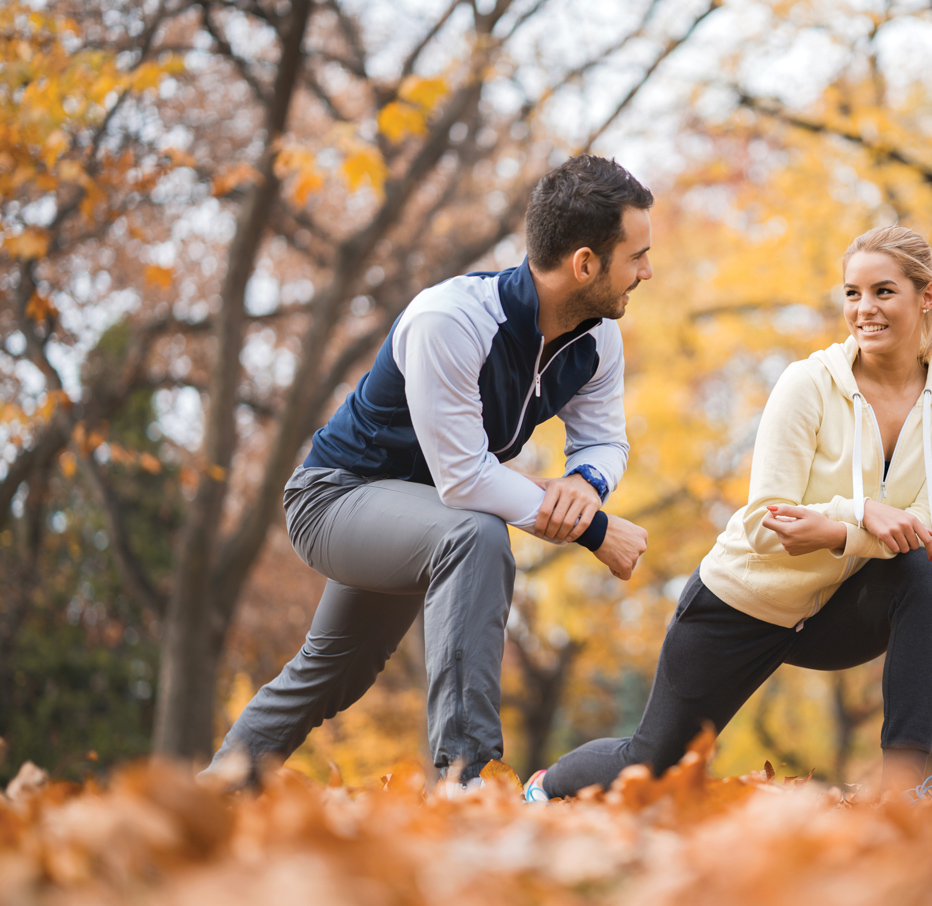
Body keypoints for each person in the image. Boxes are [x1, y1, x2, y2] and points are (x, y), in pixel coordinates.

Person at [203, 155, 652, 788]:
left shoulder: (597, 336)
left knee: (337, 670)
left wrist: (585, 486)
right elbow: (464, 482)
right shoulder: (452, 321)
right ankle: (464, 781)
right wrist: (593, 531)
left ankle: (215, 791)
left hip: (423, 513)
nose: (646, 271)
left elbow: (605, 439)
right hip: (334, 500)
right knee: (476, 534)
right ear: (585, 264)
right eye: (636, 256)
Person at [528, 224, 932, 801]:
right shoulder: (808, 385)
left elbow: (931, 524)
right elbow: (769, 524)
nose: (864, 309)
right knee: (652, 763)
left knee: (928, 573)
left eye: (883, 292)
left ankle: (901, 789)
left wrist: (837, 534)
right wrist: (859, 513)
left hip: (841, 611)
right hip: (744, 600)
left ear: (926, 296)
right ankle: (546, 785)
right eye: (852, 293)